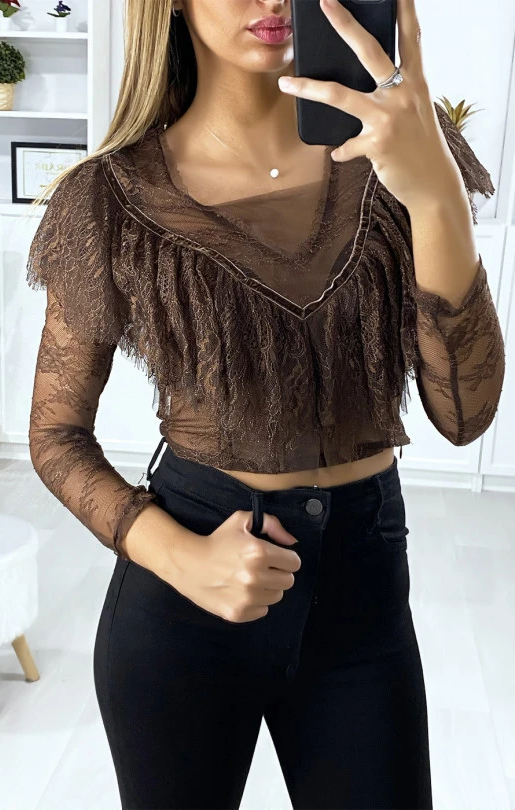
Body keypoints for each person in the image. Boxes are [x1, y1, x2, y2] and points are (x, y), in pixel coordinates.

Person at [25, 0, 505, 808]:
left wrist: (434, 197)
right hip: (181, 605)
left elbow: (467, 418)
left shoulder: (402, 153)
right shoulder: (107, 199)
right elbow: (55, 434)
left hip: (365, 599)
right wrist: (180, 558)